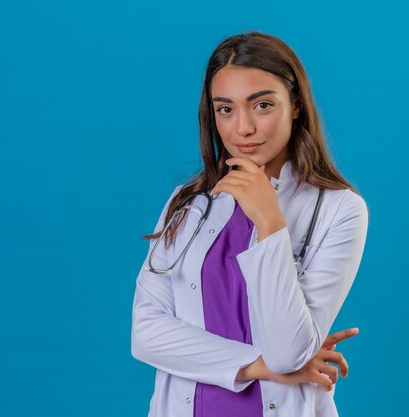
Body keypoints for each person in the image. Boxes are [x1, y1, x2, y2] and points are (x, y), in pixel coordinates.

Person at [131, 31, 369, 417]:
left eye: (261, 105)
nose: (242, 128)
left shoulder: (340, 210)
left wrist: (270, 222)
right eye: (225, 109)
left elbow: (288, 351)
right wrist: (260, 367)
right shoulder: (186, 205)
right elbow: (146, 334)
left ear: (295, 105)